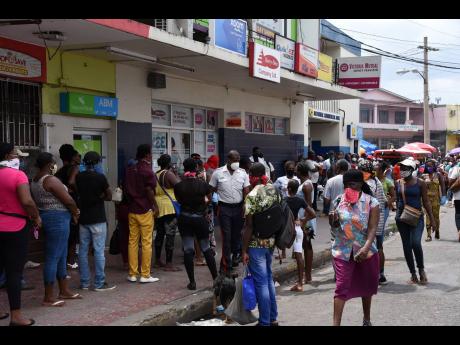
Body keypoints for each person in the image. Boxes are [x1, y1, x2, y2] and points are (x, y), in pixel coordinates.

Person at [329, 169, 380, 326]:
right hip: (342, 251)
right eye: (346, 185)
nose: (349, 188)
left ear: (360, 184)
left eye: (353, 184)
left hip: (366, 250)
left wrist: (365, 248)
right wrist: (333, 220)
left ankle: (366, 319)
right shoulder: (338, 200)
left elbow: (372, 228)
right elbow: (335, 227)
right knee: (341, 286)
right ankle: (336, 324)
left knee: (367, 285)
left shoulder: (372, 202)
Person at [31, 152, 82, 307]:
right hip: (58, 218)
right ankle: (48, 297)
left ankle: (64, 290)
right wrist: (75, 212)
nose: (55, 165)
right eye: (54, 163)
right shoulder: (50, 179)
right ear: (49, 164)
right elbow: (68, 199)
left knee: (61, 255)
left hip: (47, 215)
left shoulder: (35, 179)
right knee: (53, 256)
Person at [0, 142, 41, 326]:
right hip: (15, 227)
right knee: (14, 273)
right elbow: (27, 201)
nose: (18, 158)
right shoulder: (18, 175)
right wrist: (36, 217)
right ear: (9, 156)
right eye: (16, 154)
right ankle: (16, 316)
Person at [242, 163, 280, 326]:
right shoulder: (274, 189)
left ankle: (264, 321)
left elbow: (249, 226)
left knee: (261, 282)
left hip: (256, 244)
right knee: (268, 278)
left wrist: (244, 250)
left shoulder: (251, 195)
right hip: (271, 241)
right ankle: (272, 317)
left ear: (252, 175)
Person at [174, 158, 217, 290]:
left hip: (185, 219)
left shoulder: (178, 186)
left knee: (188, 249)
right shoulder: (203, 185)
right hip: (200, 219)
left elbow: (179, 201)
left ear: (184, 168)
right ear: (196, 169)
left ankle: (192, 282)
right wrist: (202, 206)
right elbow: (209, 200)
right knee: (205, 247)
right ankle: (216, 279)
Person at [75, 152, 115, 291]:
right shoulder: (100, 177)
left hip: (83, 219)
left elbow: (77, 192)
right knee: (98, 251)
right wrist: (99, 197)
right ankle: (99, 283)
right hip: (98, 218)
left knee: (83, 251)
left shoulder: (79, 177)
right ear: (97, 162)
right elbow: (109, 196)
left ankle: (85, 282)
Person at [395, 158, 437, 285]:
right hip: (401, 218)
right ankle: (413, 274)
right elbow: (398, 200)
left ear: (412, 170)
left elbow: (426, 201)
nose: (402, 171)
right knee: (407, 246)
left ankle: (421, 270)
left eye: (405, 168)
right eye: (401, 168)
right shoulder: (398, 183)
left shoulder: (421, 183)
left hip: (417, 217)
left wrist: (432, 218)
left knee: (415, 243)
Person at [124, 144, 160, 283]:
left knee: (132, 242)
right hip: (144, 209)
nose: (151, 156)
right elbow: (149, 191)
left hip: (132, 209)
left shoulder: (130, 169)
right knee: (146, 243)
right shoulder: (147, 171)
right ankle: (145, 275)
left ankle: (132, 274)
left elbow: (125, 188)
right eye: (150, 153)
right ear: (147, 155)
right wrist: (155, 206)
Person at [210, 150, 250, 274]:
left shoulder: (243, 173)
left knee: (236, 236)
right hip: (224, 209)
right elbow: (211, 188)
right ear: (228, 159)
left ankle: (234, 258)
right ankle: (225, 266)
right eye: (234, 160)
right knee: (226, 237)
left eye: (238, 160)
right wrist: (211, 202)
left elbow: (246, 190)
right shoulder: (218, 173)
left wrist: (246, 205)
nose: (236, 162)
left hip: (238, 209)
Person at [358, 159, 388, 285]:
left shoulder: (366, 184)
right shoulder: (378, 182)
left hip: (369, 222)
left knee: (367, 248)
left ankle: (369, 275)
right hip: (379, 221)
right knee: (379, 247)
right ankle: (380, 274)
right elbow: (385, 201)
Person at [285, 180, 316, 292]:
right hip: (298, 229)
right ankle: (300, 282)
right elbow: (313, 214)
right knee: (299, 255)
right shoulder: (300, 200)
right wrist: (303, 220)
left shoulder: (283, 200)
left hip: (286, 230)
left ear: (288, 189)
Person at [153, 154, 181, 271]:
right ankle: (169, 263)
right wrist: (175, 173)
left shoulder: (155, 174)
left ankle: (157, 260)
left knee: (159, 234)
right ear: (169, 163)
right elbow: (179, 185)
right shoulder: (168, 174)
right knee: (170, 235)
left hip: (158, 206)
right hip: (169, 207)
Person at [55, 144, 81, 270]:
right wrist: (78, 191)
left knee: (65, 235)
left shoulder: (59, 171)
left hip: (60, 204)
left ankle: (63, 261)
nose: (79, 158)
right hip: (72, 202)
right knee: (73, 234)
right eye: (78, 155)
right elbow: (71, 181)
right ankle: (70, 261)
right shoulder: (74, 168)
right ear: (73, 157)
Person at [374, 160, 396, 284]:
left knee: (379, 243)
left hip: (383, 211)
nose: (374, 171)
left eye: (376, 169)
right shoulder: (371, 181)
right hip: (372, 211)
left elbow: (393, 196)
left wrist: (388, 201)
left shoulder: (387, 182)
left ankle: (380, 272)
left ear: (382, 171)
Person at [295, 160, 317, 284]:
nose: (295, 171)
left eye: (297, 170)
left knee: (307, 245)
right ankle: (306, 275)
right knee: (305, 245)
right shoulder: (303, 183)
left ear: (300, 171)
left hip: (306, 219)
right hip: (303, 219)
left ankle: (307, 275)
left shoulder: (307, 185)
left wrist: (304, 221)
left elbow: (308, 205)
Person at [421, 159, 446, 241]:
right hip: (426, 199)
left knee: (436, 216)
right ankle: (428, 235)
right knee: (428, 215)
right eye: (427, 165)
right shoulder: (423, 175)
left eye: (431, 165)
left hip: (436, 199)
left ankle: (437, 230)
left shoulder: (438, 175)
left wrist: (444, 196)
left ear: (434, 166)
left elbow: (442, 186)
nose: (429, 167)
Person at [448, 158, 460, 242]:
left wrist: (451, 186)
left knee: (458, 214)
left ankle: (459, 230)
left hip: (458, 196)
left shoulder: (457, 168)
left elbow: (451, 180)